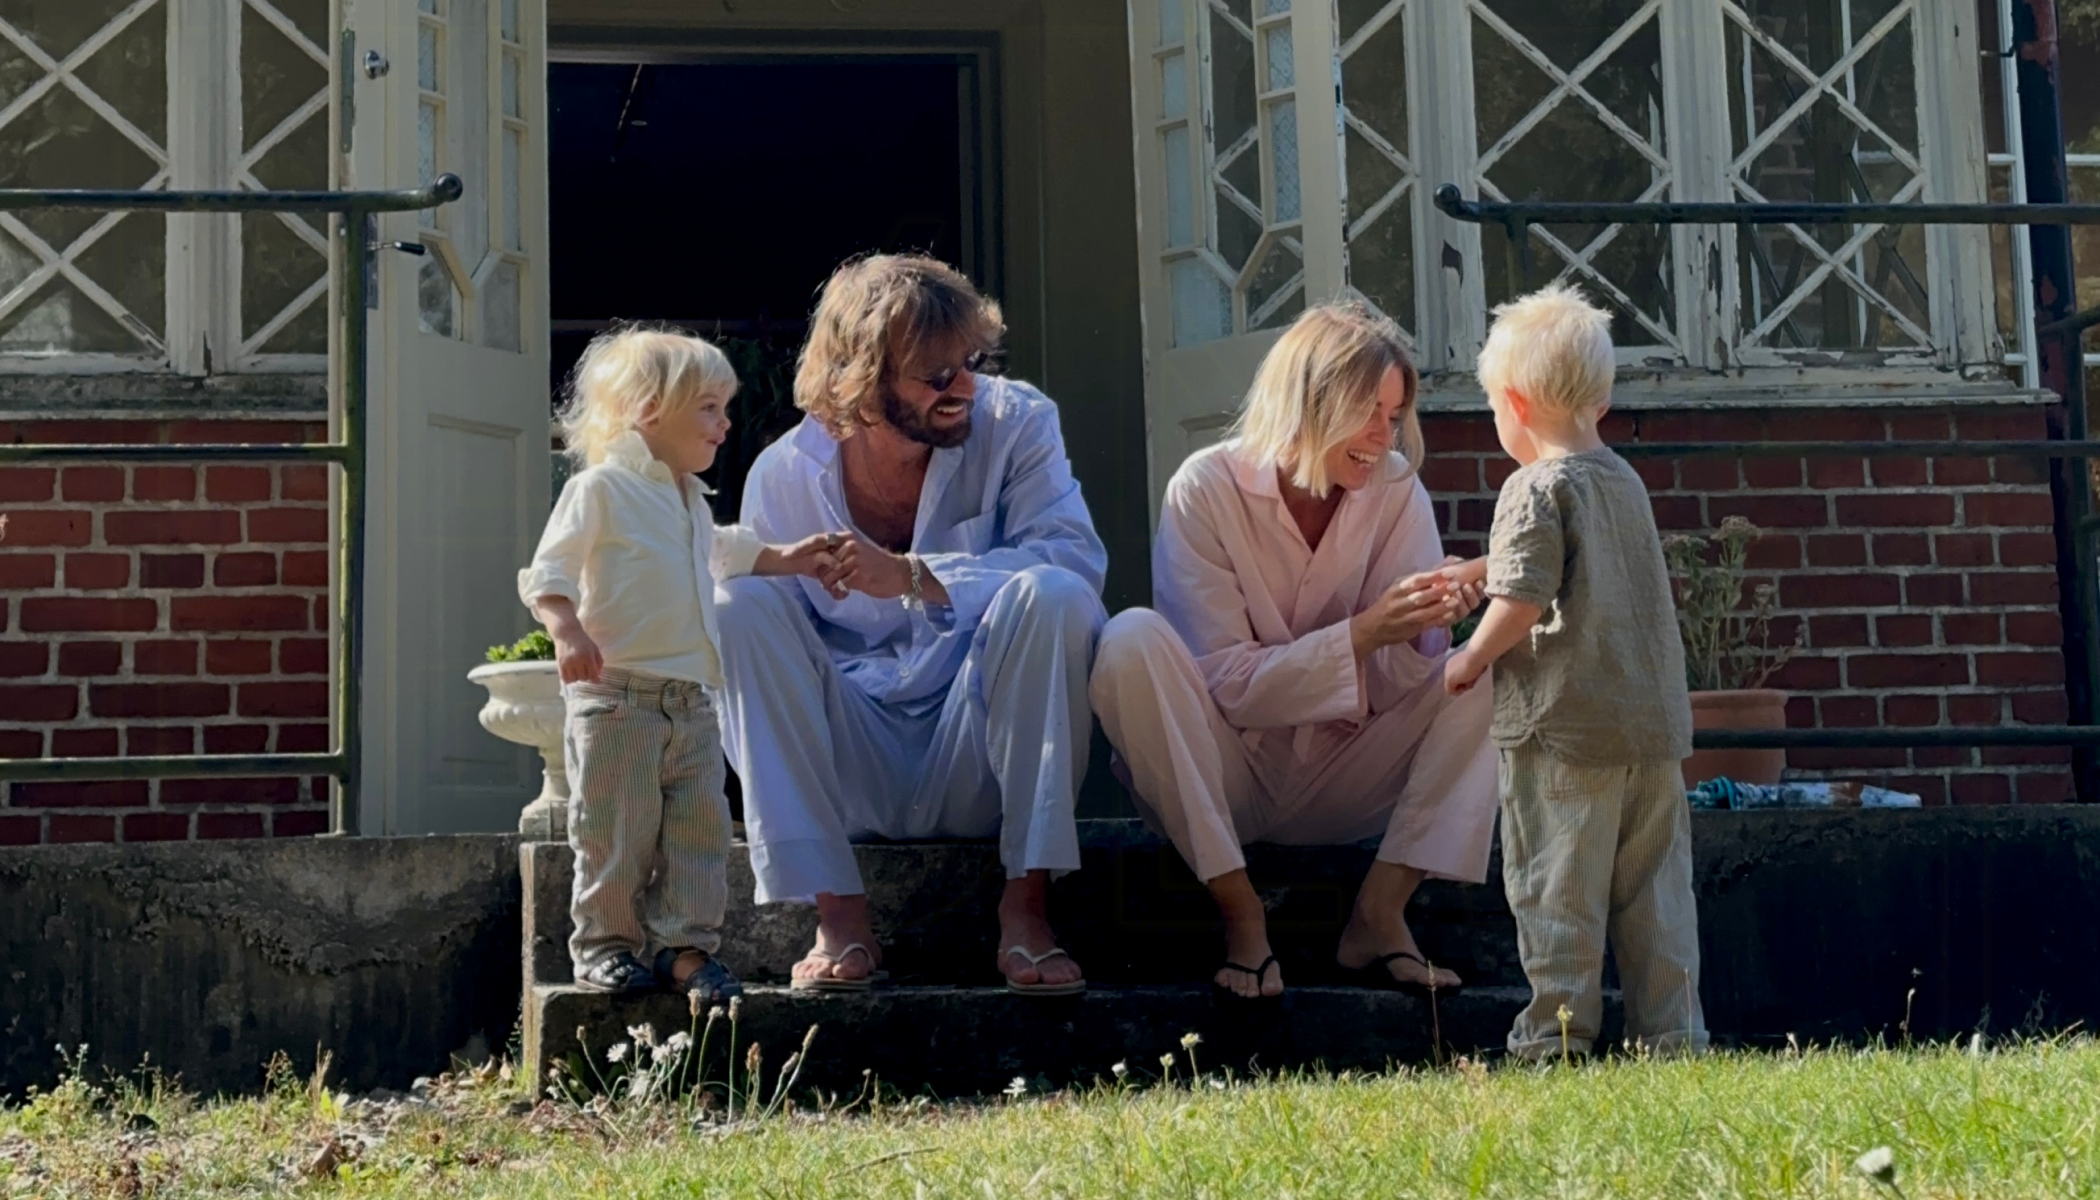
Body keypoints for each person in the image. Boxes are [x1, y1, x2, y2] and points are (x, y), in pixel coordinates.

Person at [714, 254, 1107, 995]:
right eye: (936, 375)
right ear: (862, 379)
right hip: (852, 755)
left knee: (1051, 593)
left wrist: (915, 577)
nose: (964, 386)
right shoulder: (784, 473)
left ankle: (1027, 910)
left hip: (978, 739)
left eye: (971, 361)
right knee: (738, 601)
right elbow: (766, 652)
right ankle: (838, 913)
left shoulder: (1018, 421)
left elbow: (1075, 561)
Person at [1089, 302, 1496, 1000]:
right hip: (1225, 777)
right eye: (1368, 409)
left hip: (1350, 774)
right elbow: (1227, 685)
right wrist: (1365, 631)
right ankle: (1242, 915)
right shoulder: (1205, 489)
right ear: (1310, 400)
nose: (1383, 434)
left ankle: (1381, 913)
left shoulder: (1397, 489)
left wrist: (1430, 624)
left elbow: (1405, 686)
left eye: (1394, 415)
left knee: (1494, 663)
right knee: (1129, 639)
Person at [519, 327, 844, 1001]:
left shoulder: (688, 500)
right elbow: (549, 571)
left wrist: (789, 557)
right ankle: (606, 946)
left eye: (726, 408)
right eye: (709, 408)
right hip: (618, 698)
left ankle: (685, 947)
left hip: (692, 702)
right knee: (615, 832)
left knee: (698, 832)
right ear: (648, 411)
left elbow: (722, 552)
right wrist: (567, 630)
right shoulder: (601, 490)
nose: (726, 425)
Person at [1441, 284, 1709, 1058]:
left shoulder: (1530, 487)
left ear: (1515, 404)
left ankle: (1555, 1037)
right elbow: (1573, 568)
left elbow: (1524, 599)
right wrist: (1484, 566)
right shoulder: (1621, 480)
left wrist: (1470, 656)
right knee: (1656, 894)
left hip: (1563, 732)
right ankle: (1673, 1035)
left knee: (1559, 888)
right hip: (1650, 731)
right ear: (1601, 394)